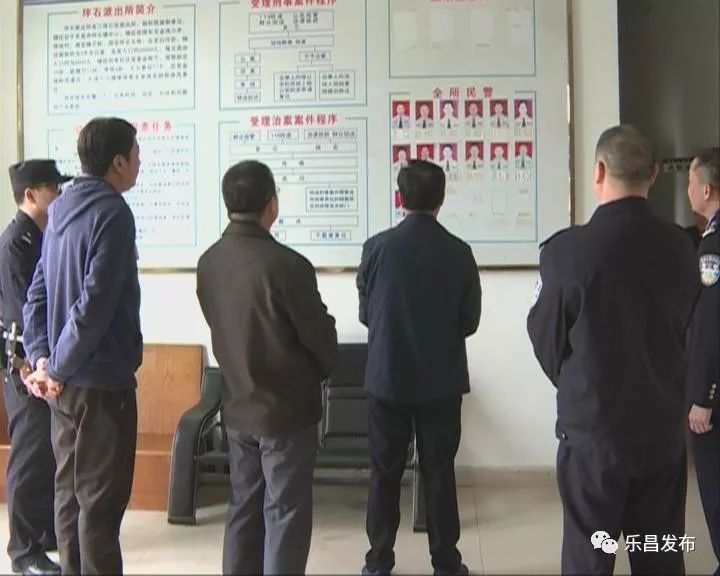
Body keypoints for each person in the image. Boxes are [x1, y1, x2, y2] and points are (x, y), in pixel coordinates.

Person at [527, 125, 699, 575]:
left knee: (590, 554)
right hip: (661, 431)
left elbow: (546, 340)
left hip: (593, 435)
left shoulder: (567, 252)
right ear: (654, 174)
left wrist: (580, 385)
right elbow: (690, 330)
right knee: (658, 553)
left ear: (598, 171)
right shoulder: (682, 249)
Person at [196, 160, 337, 575]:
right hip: (285, 411)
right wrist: (323, 368)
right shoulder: (287, 265)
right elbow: (319, 337)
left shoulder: (209, 262)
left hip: (237, 404)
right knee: (286, 510)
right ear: (271, 204)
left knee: (243, 504)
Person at [22, 117, 143, 575]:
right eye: (136, 154)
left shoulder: (60, 209)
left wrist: (43, 360)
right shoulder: (113, 213)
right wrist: (55, 367)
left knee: (70, 497)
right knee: (100, 505)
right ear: (117, 162)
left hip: (64, 388)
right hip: (100, 384)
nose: (139, 162)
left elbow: (37, 295)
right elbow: (95, 304)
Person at [357, 159, 481, 576]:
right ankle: (446, 562)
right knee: (440, 473)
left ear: (400, 198)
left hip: (386, 379)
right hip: (441, 383)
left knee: (384, 473)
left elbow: (366, 314)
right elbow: (470, 321)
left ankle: (378, 562)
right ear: (441, 199)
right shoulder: (459, 252)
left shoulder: (376, 249)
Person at [0, 160, 69, 576]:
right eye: (52, 189)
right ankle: (23, 551)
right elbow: (22, 313)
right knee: (29, 456)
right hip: (24, 365)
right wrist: (35, 366)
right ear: (30, 195)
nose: (58, 195)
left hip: (43, 361)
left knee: (46, 452)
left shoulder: (42, 235)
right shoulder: (16, 243)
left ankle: (45, 532)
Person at [685, 147, 720, 576]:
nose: (688, 190)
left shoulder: (712, 247)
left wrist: (702, 396)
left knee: (714, 485)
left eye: (691, 182)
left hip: (716, 392)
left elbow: (710, 327)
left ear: (707, 189)